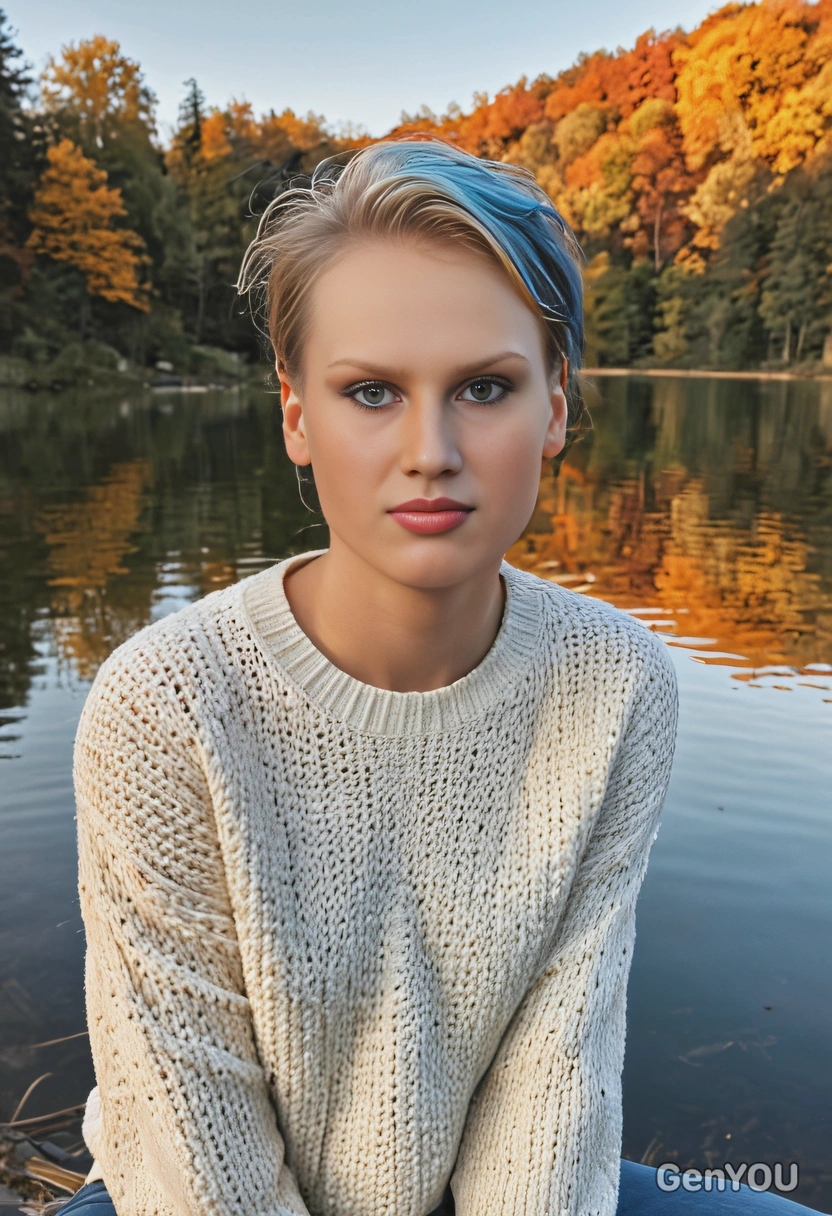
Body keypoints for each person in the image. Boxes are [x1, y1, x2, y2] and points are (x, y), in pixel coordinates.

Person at [56, 138, 824, 1216]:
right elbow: (192, 1144)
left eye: (483, 387)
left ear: (555, 404)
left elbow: (555, 1077)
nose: (430, 449)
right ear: (294, 415)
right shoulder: (170, 703)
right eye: (369, 391)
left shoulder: (613, 684)